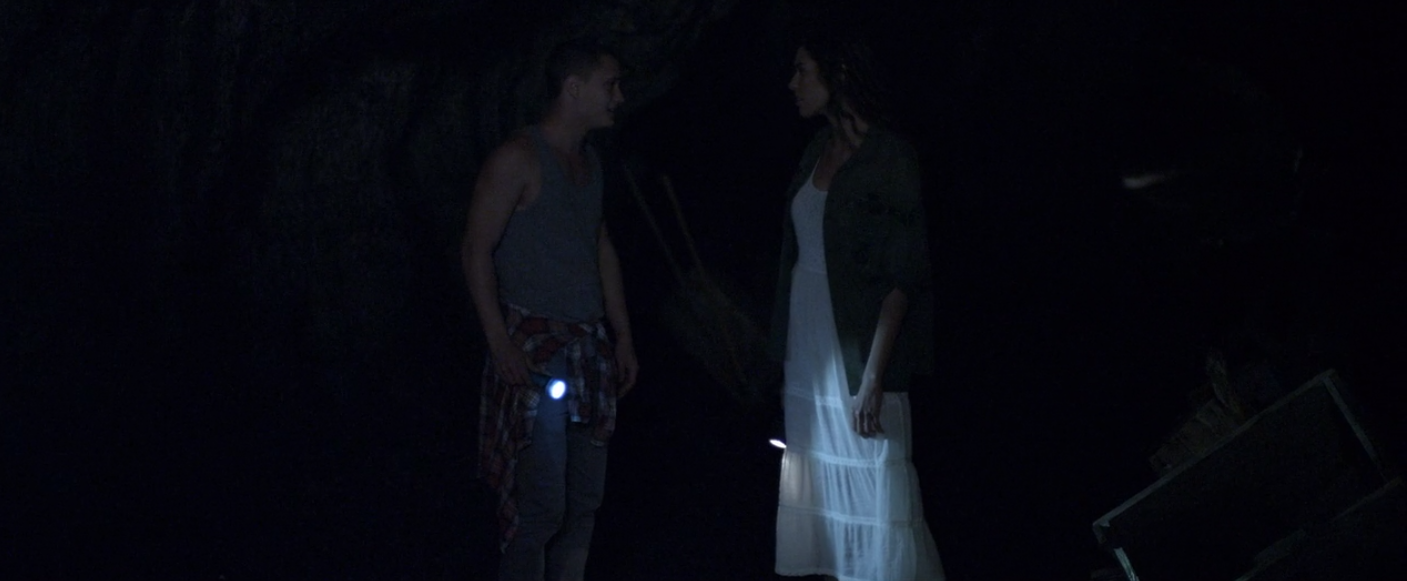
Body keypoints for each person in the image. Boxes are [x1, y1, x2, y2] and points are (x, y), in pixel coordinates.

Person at [768, 33, 945, 581]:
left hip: (858, 353)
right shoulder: (815, 150)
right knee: (823, 499)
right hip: (809, 348)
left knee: (877, 492)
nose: (792, 83)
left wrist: (873, 377)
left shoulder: (889, 156)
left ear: (837, 73)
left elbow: (901, 276)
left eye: (802, 70)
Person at [462, 39, 639, 581]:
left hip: (588, 350)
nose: (619, 97)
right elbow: (475, 250)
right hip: (537, 352)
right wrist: (500, 341)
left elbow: (600, 244)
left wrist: (622, 336)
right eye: (610, 85)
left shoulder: (590, 162)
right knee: (541, 505)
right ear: (574, 89)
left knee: (584, 501)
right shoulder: (518, 159)